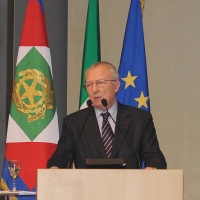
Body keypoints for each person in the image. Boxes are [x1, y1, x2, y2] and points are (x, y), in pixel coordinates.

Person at [47, 61, 167, 169]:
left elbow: (155, 157)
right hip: (88, 191)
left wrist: (153, 168)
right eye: (89, 85)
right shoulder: (74, 123)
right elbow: (61, 157)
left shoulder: (139, 120)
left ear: (116, 86)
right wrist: (55, 168)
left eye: (100, 83)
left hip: (130, 190)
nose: (94, 90)